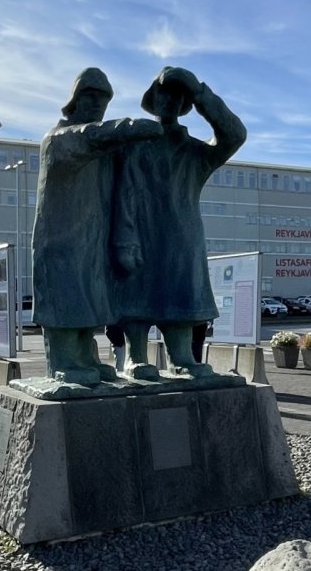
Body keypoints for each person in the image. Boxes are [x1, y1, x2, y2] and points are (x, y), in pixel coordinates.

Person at [110, 67, 246, 377]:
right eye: (164, 94)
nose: (169, 101)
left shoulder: (195, 151)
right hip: (140, 235)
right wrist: (123, 238)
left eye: (178, 96)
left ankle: (181, 357)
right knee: (135, 298)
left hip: (181, 238)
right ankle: (135, 356)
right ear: (153, 99)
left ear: (186, 103)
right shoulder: (134, 145)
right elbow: (122, 194)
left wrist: (200, 93)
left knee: (180, 296)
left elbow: (235, 135)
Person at [30, 68, 162, 385]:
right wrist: (134, 127)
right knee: (66, 297)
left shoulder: (104, 151)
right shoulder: (58, 139)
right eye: (90, 96)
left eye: (103, 100)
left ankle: (85, 357)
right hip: (60, 241)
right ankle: (62, 361)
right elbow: (91, 136)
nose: (98, 105)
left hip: (91, 239)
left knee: (88, 297)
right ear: (74, 100)